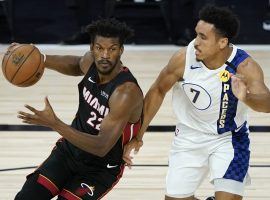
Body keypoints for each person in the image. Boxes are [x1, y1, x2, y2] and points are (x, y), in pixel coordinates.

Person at [123, 5, 270, 200]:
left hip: (228, 138)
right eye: (196, 35)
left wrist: (246, 97)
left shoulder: (245, 66)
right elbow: (157, 90)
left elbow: (267, 104)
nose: (196, 42)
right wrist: (138, 135)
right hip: (189, 135)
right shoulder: (183, 58)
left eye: (203, 37)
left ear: (222, 42)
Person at [14, 18, 143, 200]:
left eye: (112, 49)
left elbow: (101, 146)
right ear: (92, 47)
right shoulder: (91, 62)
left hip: (99, 169)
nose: (104, 55)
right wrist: (40, 59)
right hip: (68, 153)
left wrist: (55, 123)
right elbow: (76, 64)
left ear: (121, 50)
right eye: (99, 48)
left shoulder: (125, 92)